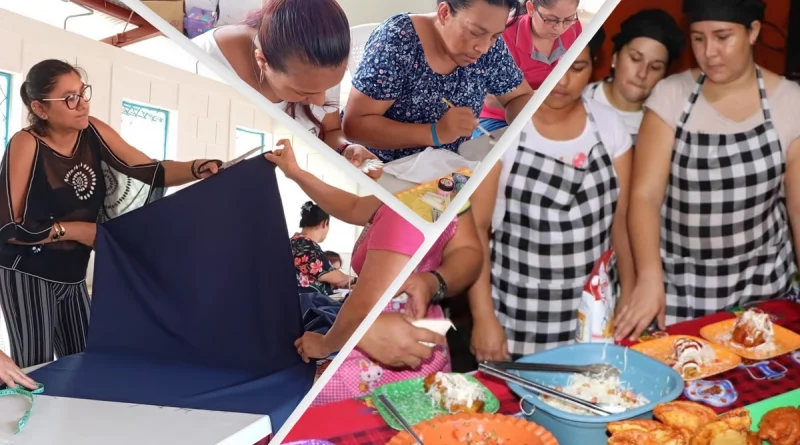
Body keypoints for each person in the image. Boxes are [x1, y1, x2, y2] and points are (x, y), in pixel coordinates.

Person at [0, 59, 220, 386]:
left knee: (89, 360)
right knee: (38, 368)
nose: (83, 103)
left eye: (83, 92)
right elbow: (10, 228)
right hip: (28, 273)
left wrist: (198, 168)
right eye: (70, 98)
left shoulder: (93, 131)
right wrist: (79, 231)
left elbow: (150, 170)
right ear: (40, 108)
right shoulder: (27, 143)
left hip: (73, 274)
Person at [618, 0, 800, 340]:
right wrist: (648, 278)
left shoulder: (790, 101)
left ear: (753, 32)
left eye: (722, 37)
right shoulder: (671, 96)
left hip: (762, 283)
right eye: (698, 38)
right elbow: (645, 196)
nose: (709, 52)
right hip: (679, 285)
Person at [469, 39, 634, 359]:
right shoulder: (504, 134)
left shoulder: (609, 126)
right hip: (516, 318)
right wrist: (484, 317)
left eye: (577, 67)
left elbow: (622, 223)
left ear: (595, 67)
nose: (562, 81)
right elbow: (476, 229)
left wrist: (628, 291)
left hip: (594, 314)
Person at [265, 140, 481, 378]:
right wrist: (295, 172)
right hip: (419, 344)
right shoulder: (425, 197)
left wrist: (324, 345)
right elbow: (352, 205)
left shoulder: (407, 210)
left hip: (383, 357)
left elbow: (363, 306)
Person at [192, 0, 380, 178]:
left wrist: (346, 149)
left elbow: (330, 132)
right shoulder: (203, 68)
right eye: (303, 92)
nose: (320, 101)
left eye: (329, 87)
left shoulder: (321, 61)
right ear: (262, 61)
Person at [342, 0, 534, 163]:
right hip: (384, 170)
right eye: (475, 32)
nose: (483, 48)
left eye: (495, 36)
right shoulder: (397, 41)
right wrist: (434, 133)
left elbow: (520, 96)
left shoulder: (491, 48)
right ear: (444, 13)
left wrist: (537, 129)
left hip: (448, 168)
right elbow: (354, 125)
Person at [478, 0, 583, 136]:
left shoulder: (574, 29)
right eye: (551, 20)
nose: (559, 28)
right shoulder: (501, 35)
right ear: (531, 8)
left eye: (569, 19)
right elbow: (490, 99)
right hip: (498, 118)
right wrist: (547, 99)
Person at [584, 9, 685, 144]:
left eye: (655, 67)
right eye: (635, 58)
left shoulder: (664, 125)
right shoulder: (578, 100)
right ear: (615, 58)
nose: (642, 73)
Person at [291, 201, 351, 295]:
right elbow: (333, 277)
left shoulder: (295, 241)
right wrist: (353, 279)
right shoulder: (305, 245)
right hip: (308, 304)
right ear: (324, 223)